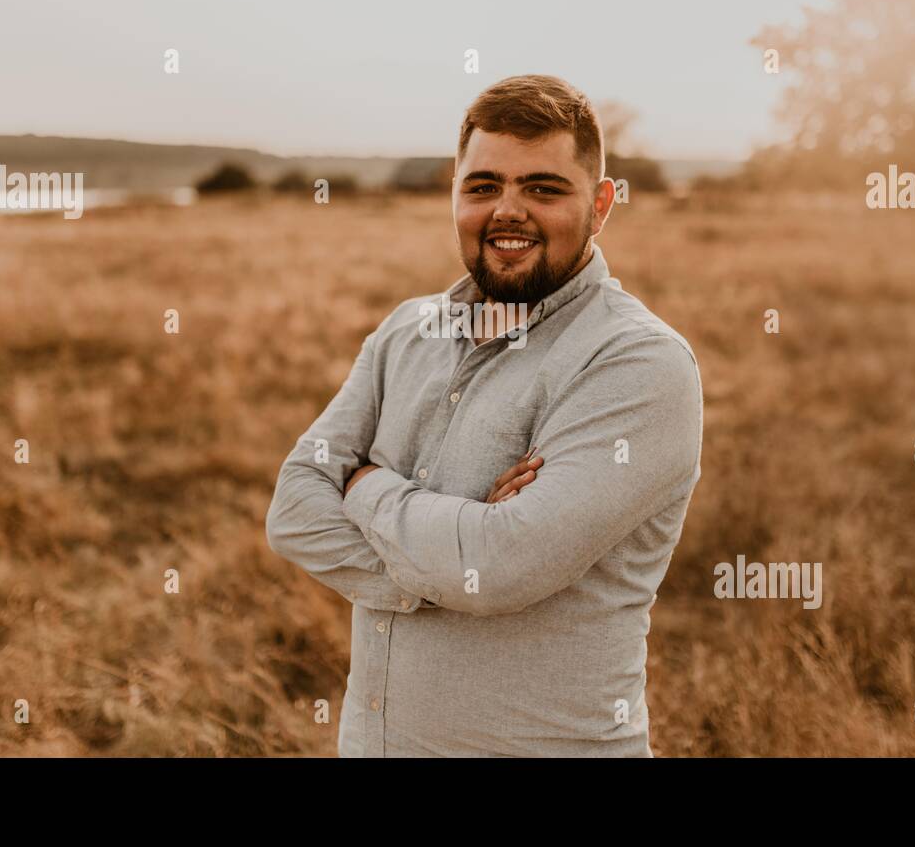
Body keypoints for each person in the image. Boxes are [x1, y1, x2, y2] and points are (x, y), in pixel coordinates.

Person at [265, 74, 703, 756]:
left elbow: (500, 566)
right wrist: (447, 566)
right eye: (483, 186)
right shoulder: (405, 333)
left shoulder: (639, 363)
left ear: (602, 204)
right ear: (455, 194)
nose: (508, 210)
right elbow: (292, 510)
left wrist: (365, 486)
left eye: (543, 187)